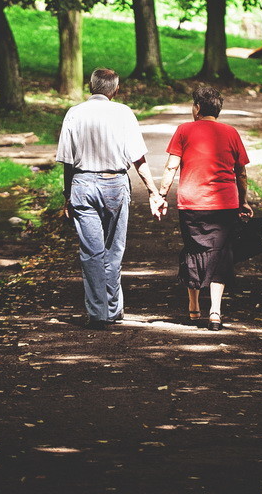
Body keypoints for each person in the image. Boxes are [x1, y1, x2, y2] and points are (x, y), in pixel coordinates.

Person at [56, 68, 165, 329]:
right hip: (115, 184)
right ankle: (113, 309)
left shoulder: (74, 113)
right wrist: (153, 191)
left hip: (82, 184)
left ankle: (98, 313)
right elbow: (138, 157)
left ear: (90, 86)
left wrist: (68, 195)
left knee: (91, 252)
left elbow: (67, 161)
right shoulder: (124, 113)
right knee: (114, 250)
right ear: (116, 90)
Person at [155, 85, 253, 330]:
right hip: (225, 204)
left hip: (192, 203)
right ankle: (215, 312)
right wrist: (243, 201)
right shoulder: (231, 133)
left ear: (197, 108)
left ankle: (194, 307)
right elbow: (240, 172)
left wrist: (161, 195)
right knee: (220, 254)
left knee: (193, 250)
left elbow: (171, 166)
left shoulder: (184, 130)